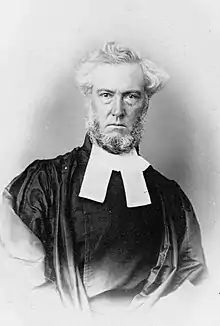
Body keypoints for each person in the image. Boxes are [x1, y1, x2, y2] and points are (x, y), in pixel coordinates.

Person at [0, 41, 207, 323]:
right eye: (106, 95)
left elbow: (197, 290)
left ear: (145, 104)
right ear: (89, 101)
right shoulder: (43, 183)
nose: (118, 110)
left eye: (131, 96)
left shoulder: (170, 198)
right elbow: (16, 284)